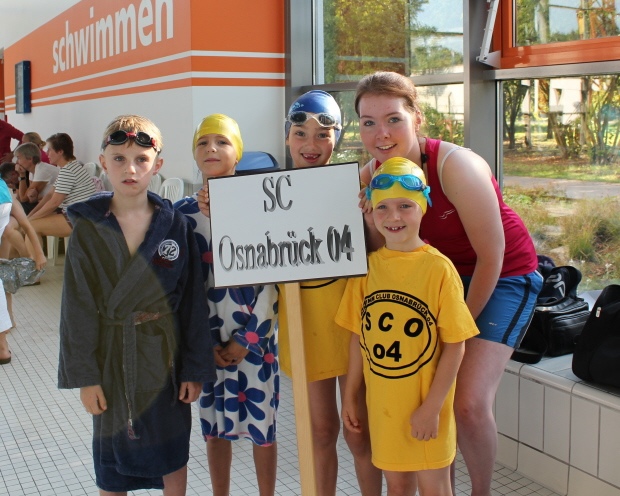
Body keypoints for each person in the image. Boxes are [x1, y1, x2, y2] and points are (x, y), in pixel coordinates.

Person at [356, 71, 543, 496]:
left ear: (417, 118)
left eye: (393, 119)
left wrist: (451, 330)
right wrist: (368, 220)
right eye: (369, 122)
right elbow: (382, 254)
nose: (381, 134)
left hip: (502, 274)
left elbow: (493, 255)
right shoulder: (369, 179)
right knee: (424, 394)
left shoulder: (456, 166)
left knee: (468, 404)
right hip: (436, 277)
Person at [57, 114, 216, 495]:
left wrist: (193, 369)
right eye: (119, 159)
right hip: (112, 360)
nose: (130, 169)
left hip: (165, 359)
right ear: (103, 162)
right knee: (111, 464)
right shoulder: (88, 228)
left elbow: (192, 303)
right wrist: (86, 378)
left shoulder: (174, 226)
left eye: (141, 160)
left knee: (172, 455)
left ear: (157, 165)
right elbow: (76, 309)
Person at [337, 157, 479, 496]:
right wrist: (351, 395)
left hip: (427, 408)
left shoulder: (439, 270)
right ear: (371, 211)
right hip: (384, 408)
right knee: (397, 486)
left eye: (405, 206)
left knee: (434, 488)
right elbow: (358, 337)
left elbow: (456, 345)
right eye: (383, 207)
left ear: (423, 207)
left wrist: (432, 408)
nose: (394, 217)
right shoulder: (368, 269)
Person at [277, 90, 382, 496]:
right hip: (304, 324)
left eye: (322, 135)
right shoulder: (267, 196)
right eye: (300, 133)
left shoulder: (354, 187)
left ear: (336, 139)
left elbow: (378, 252)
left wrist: (369, 217)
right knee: (320, 431)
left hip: (352, 324)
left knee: (359, 431)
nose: (311, 144)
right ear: (288, 138)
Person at [176, 114, 279, 496]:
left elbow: (274, 283)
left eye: (222, 141)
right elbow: (181, 285)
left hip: (255, 341)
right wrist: (200, 342)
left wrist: (248, 339)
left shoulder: (262, 207)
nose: (212, 149)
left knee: (263, 428)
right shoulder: (182, 215)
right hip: (206, 340)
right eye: (203, 142)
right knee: (214, 429)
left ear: (238, 153)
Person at [0, 175, 47, 364]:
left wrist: (37, 254)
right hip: (5, 220)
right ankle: (3, 342)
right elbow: (27, 226)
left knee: (2, 281)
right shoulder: (7, 197)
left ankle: (4, 339)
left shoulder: (7, 198)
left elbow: (26, 226)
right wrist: (38, 254)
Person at [26, 133, 96, 255]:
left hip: (80, 219)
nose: (47, 153)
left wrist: (31, 219)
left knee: (31, 227)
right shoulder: (70, 167)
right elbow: (49, 195)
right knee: (30, 223)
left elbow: (54, 202)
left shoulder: (67, 171)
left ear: (60, 152)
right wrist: (31, 215)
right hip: (80, 215)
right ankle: (32, 263)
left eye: (50, 150)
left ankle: (34, 264)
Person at [13, 142, 59, 213]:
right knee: (17, 206)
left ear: (30, 159)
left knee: (17, 209)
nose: (17, 162)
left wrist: (22, 175)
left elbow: (23, 198)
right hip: (48, 202)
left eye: (19, 158)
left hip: (59, 206)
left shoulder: (42, 170)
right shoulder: (33, 171)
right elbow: (29, 196)